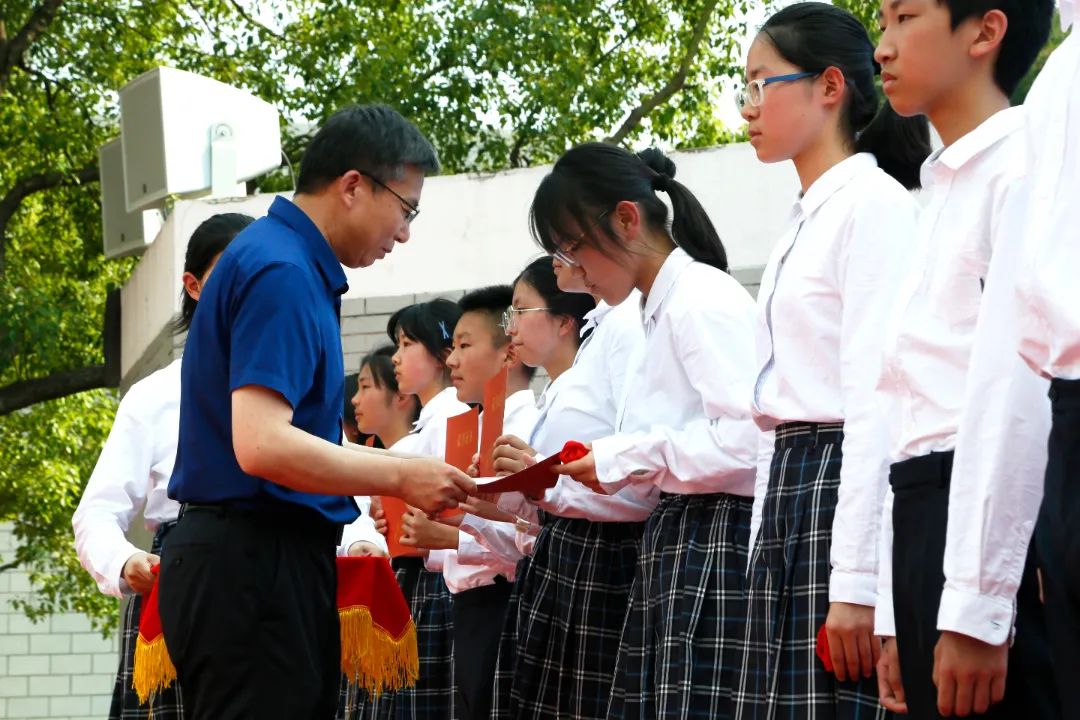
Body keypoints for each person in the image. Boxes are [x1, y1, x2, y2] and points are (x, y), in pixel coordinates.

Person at [159, 105, 474, 720]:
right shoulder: (283, 271)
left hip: (252, 557)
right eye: (406, 209)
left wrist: (406, 465)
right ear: (353, 186)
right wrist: (401, 476)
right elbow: (262, 445)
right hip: (255, 562)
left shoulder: (280, 259)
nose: (405, 232)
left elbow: (293, 438)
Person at [728, 4, 930, 718]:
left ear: (830, 86)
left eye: (762, 83)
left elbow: (879, 401)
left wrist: (857, 584)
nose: (748, 106)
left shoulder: (873, 206)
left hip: (838, 485)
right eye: (743, 88)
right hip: (789, 489)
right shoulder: (804, 218)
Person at [873, 3, 1057, 718]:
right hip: (924, 513)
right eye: (880, 21)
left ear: (984, 32)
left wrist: (981, 604)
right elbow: (905, 409)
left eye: (905, 17)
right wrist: (894, 609)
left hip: (991, 516)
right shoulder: (939, 190)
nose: (882, 46)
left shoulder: (1020, 172)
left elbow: (1011, 392)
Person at [538, 144, 759, 718]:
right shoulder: (648, 310)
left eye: (573, 247)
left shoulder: (700, 299)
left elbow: (751, 441)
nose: (573, 270)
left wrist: (625, 454)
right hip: (680, 536)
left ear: (627, 219)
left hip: (718, 538)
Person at [72, 212, 253, 720]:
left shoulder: (293, 384)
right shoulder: (152, 396)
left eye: (260, 276)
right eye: (229, 274)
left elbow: (334, 491)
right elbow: (96, 514)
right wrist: (125, 564)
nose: (247, 290)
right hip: (177, 583)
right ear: (193, 285)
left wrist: (360, 540)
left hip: (274, 577)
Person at [959, 3, 1077, 717]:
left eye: (904, 16)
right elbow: (1013, 359)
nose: (885, 46)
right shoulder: (1059, 80)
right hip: (1063, 425)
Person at [401, 284, 540, 720]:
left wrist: (443, 537)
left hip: (501, 602)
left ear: (508, 354)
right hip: (468, 604)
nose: (453, 360)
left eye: (464, 345)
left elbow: (526, 537)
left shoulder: (527, 427)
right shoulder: (475, 425)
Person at [486, 257, 605, 719]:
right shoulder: (556, 393)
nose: (510, 326)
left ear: (563, 322)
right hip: (553, 556)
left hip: (580, 555)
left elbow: (577, 493)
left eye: (520, 310)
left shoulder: (581, 393)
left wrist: (530, 482)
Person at [363, 298, 468, 720]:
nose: (397, 357)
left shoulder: (453, 417)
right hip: (418, 574)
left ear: (442, 353)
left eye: (407, 344)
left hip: (437, 577)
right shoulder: (429, 422)